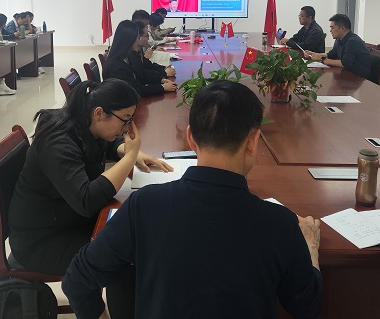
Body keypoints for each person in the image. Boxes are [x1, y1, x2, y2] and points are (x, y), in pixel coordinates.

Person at [63, 81, 323, 319]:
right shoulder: (280, 224)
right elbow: (306, 305)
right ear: (253, 142)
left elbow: (77, 281)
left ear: (190, 138)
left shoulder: (143, 205)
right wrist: (310, 247)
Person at [8, 79, 172, 278]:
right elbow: (86, 201)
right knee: (128, 258)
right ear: (99, 113)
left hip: (69, 219)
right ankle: (98, 299)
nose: (126, 128)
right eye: (125, 120)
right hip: (44, 241)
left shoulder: (85, 123)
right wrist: (130, 157)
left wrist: (132, 153)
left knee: (138, 229)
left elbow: (107, 143)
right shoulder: (58, 141)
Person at [102, 20, 177, 97]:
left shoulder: (128, 55)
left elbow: (141, 75)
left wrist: (160, 80)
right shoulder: (116, 65)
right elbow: (134, 90)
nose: (138, 40)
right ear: (130, 40)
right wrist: (162, 87)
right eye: (138, 37)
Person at [305, 13, 371, 78]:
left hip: (358, 78)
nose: (330, 31)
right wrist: (314, 54)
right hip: (346, 74)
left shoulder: (352, 41)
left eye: (332, 28)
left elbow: (345, 63)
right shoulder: (339, 39)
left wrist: (322, 60)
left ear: (342, 28)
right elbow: (331, 54)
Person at [129, 21, 175, 85]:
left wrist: (164, 68)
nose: (148, 38)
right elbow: (143, 76)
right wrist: (164, 73)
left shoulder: (139, 50)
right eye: (146, 36)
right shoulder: (131, 55)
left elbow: (148, 66)